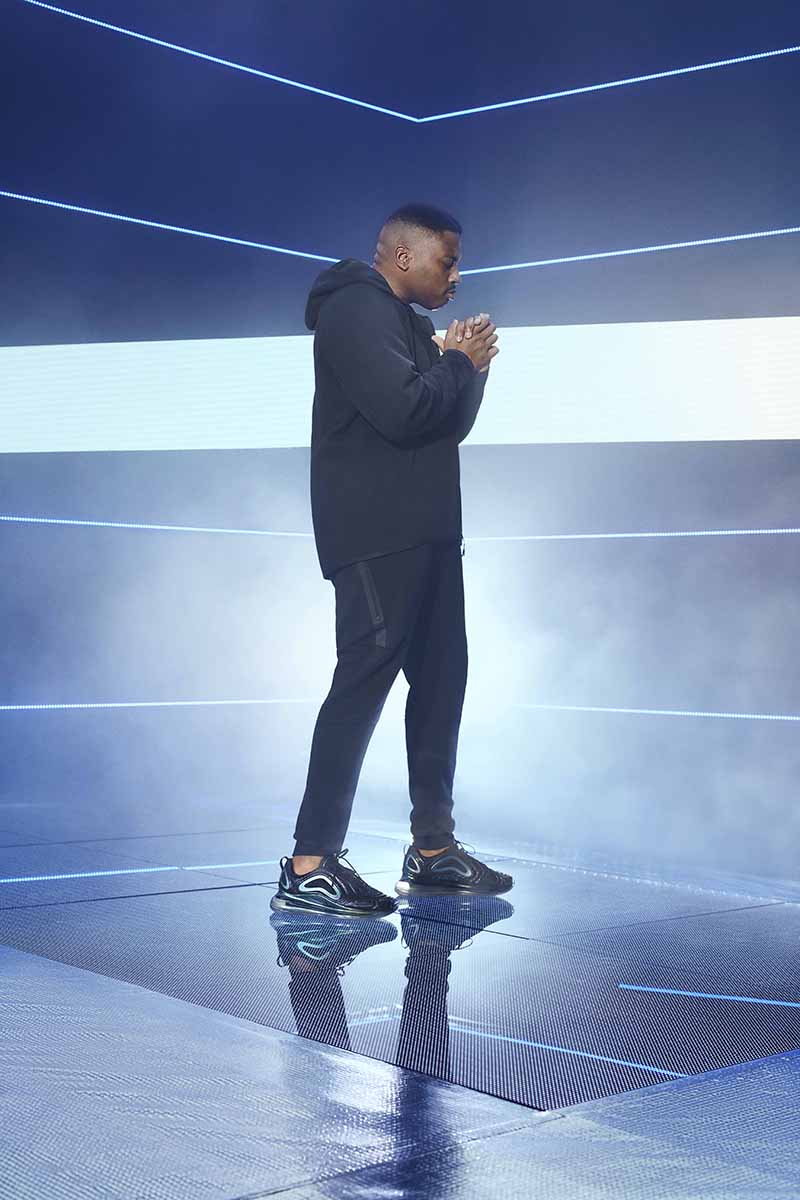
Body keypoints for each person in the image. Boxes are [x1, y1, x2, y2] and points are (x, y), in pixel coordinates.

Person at [271, 202, 513, 917]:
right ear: (404, 256)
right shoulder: (355, 309)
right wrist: (455, 361)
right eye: (449, 261)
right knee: (363, 681)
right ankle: (310, 864)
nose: (457, 276)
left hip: (431, 531)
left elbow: (445, 424)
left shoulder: (403, 322)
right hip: (378, 536)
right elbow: (405, 411)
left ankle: (432, 850)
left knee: (441, 682)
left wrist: (469, 370)